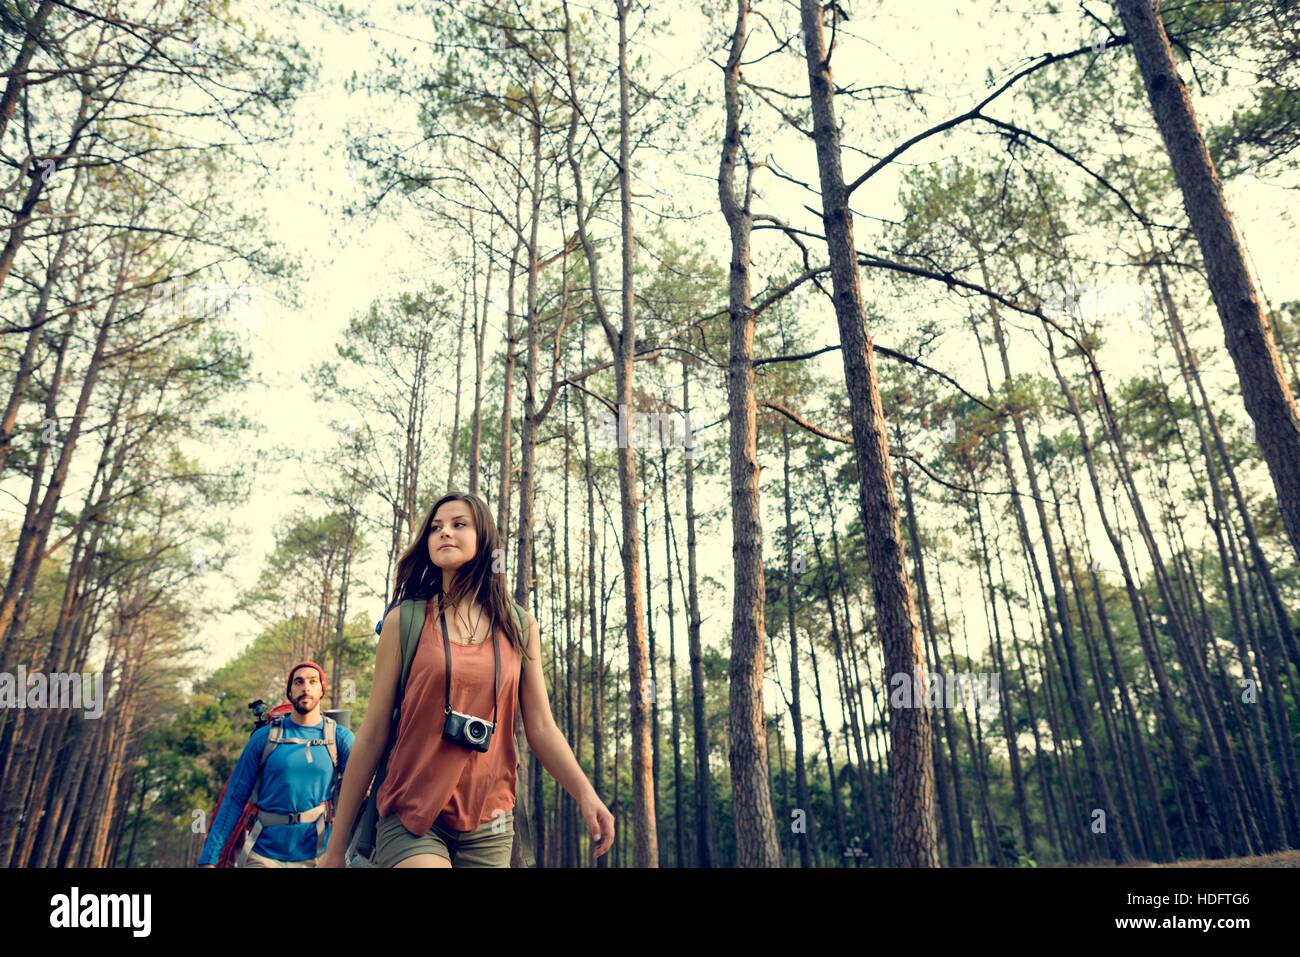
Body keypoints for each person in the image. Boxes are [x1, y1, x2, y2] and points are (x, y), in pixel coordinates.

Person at [319, 491, 615, 868]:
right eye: (436, 528)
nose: (445, 533)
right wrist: (334, 849)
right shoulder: (404, 622)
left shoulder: (520, 626)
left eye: (459, 525)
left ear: (484, 540)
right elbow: (373, 733)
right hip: (411, 814)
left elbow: (541, 727)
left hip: (490, 821)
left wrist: (586, 795)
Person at [198, 662, 355, 867]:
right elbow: (234, 799)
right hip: (263, 856)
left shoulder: (338, 738)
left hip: (318, 857)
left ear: (321, 690)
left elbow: (366, 787)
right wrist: (208, 860)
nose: (305, 687)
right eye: (298, 682)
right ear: (290, 691)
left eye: (312, 682)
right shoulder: (264, 738)